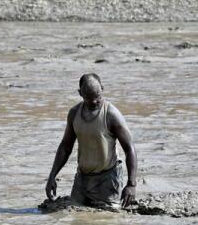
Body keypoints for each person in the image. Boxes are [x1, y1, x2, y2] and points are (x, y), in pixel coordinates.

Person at [46, 73, 138, 209]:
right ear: (80, 94)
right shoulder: (74, 114)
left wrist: (131, 184)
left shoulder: (111, 114)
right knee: (75, 218)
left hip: (108, 178)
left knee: (108, 219)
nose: (94, 101)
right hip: (82, 179)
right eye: (89, 98)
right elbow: (65, 147)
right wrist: (52, 176)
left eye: (98, 96)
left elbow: (130, 148)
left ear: (102, 88)